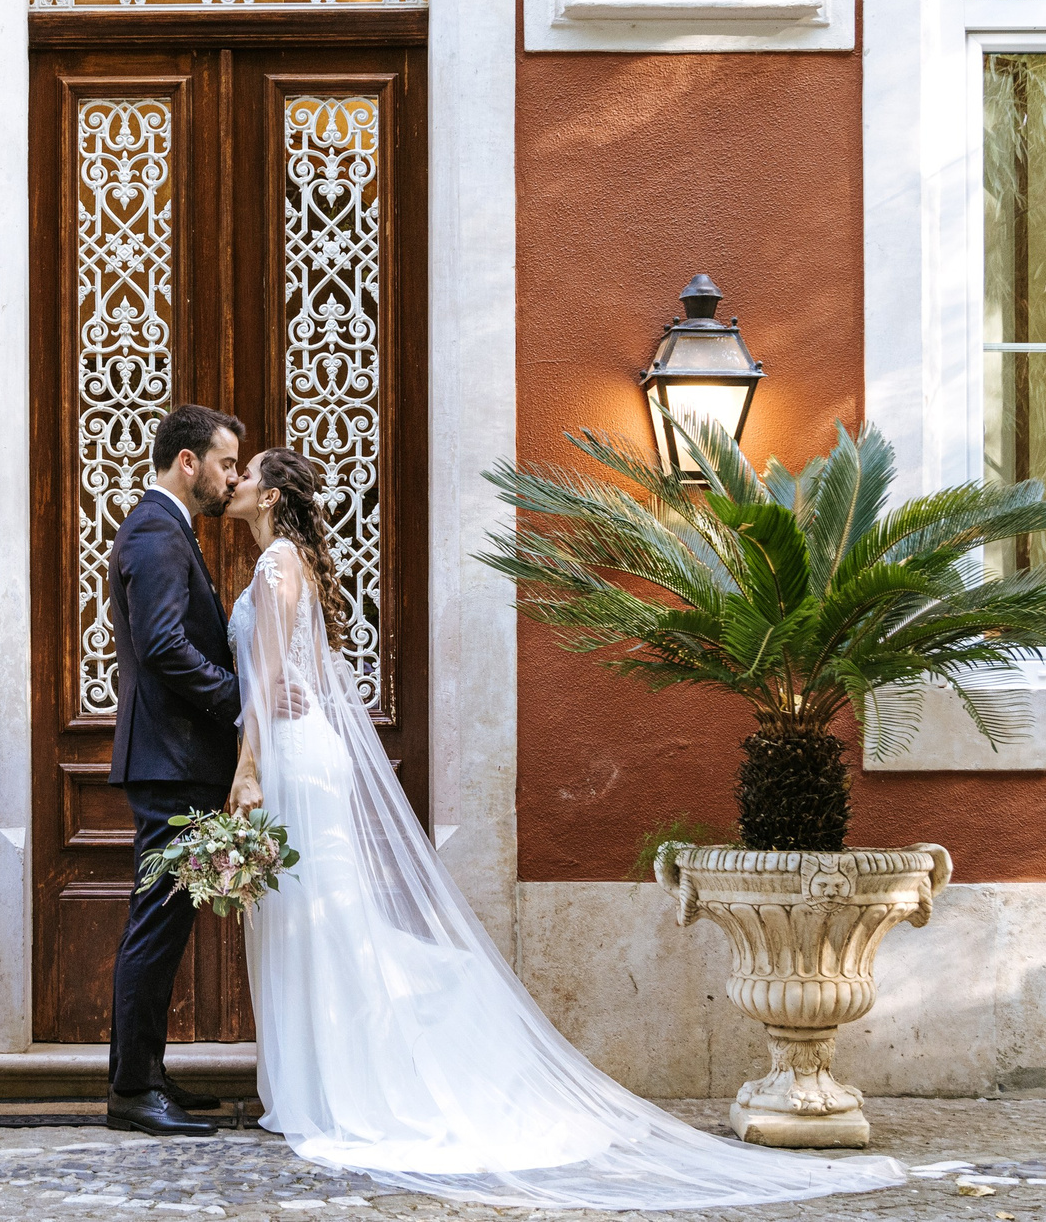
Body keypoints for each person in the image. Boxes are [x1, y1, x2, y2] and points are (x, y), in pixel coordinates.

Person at [223, 446, 909, 1209]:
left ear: (273, 494)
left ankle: (335, 1083)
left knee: (322, 917)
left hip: (290, 755)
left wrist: (246, 770)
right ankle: (324, 1077)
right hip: (308, 748)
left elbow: (269, 679)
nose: (236, 480)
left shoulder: (279, 565)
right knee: (321, 914)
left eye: (248, 471)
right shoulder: (293, 565)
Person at [102, 403, 248, 1138]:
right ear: (187, 461)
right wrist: (240, 699)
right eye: (224, 464)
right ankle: (132, 1090)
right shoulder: (159, 532)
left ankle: (149, 1074)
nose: (231, 479)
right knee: (156, 926)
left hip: (175, 759)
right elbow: (162, 646)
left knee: (162, 922)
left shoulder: (166, 530)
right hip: (171, 761)